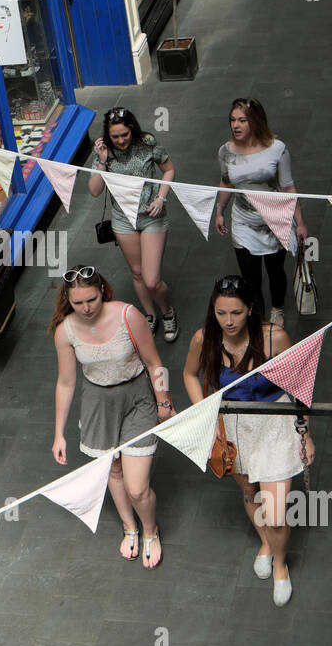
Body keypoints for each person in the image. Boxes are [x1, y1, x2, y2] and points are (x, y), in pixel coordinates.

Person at [182, 275, 314, 606]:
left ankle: (281, 564)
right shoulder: (204, 338)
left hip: (275, 423)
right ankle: (266, 544)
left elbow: (299, 385)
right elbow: (188, 375)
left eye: (236, 313)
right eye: (221, 312)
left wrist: (305, 433)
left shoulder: (275, 337)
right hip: (234, 425)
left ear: (251, 310)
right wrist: (206, 416)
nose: (228, 321)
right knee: (249, 492)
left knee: (278, 511)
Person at [50, 265, 174, 567]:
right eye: (78, 303)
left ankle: (150, 530)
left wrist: (163, 401)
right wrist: (59, 433)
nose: (86, 308)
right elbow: (66, 382)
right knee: (114, 471)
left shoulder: (127, 315)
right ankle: (129, 527)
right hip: (96, 402)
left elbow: (154, 360)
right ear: (68, 299)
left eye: (91, 299)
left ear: (102, 291)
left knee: (137, 487)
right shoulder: (65, 331)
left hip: (136, 397)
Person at [214, 97, 307, 328]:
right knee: (250, 277)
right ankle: (259, 318)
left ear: (255, 121)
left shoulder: (277, 149)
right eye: (233, 120)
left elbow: (287, 187)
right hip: (243, 222)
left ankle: (277, 309)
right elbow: (226, 182)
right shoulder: (225, 152)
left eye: (242, 120)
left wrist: (300, 222)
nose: (236, 125)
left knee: (275, 270)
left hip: (274, 219)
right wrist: (219, 210)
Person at [88, 107, 179, 342]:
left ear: (132, 129)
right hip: (122, 219)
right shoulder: (103, 151)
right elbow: (95, 191)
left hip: (152, 215)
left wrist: (161, 197)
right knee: (137, 274)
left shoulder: (148, 142)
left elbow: (168, 169)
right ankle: (150, 315)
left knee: (151, 279)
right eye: (115, 136)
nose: (120, 141)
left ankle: (167, 311)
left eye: (124, 135)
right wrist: (102, 161)